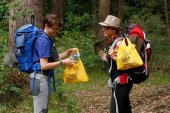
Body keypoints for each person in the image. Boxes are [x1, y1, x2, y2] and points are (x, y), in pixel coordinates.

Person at [30, 14, 76, 113]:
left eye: (57, 29)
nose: (56, 31)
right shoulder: (43, 41)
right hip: (40, 78)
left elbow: (55, 58)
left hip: (41, 78)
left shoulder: (47, 39)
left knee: (43, 110)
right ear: (46, 25)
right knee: (41, 111)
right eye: (54, 28)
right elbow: (44, 65)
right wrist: (63, 62)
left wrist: (67, 53)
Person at [98, 15, 133, 113]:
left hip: (122, 82)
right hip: (120, 82)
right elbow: (119, 62)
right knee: (125, 110)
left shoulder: (119, 43)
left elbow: (127, 62)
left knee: (116, 110)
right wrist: (108, 58)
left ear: (114, 30)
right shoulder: (114, 42)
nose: (103, 29)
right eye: (103, 27)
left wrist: (113, 57)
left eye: (106, 27)